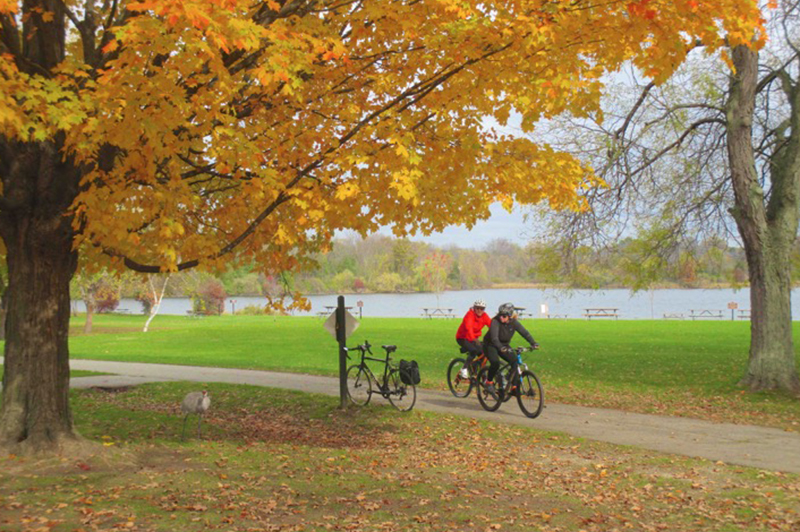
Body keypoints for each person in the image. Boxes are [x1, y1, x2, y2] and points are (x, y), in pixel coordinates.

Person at [482, 302, 538, 397]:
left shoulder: (514, 323)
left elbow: (525, 333)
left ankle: (514, 388)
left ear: (509, 316)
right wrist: (500, 348)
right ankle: (489, 382)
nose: (501, 318)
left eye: (504, 316)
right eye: (500, 315)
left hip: (504, 344)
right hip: (490, 345)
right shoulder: (495, 322)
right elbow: (494, 338)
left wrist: (533, 343)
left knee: (515, 362)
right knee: (495, 362)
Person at [455, 299, 491, 378]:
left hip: (473, 338)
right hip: (462, 337)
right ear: (474, 308)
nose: (479, 310)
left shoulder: (484, 316)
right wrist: (473, 339)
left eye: (482, 309)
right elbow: (469, 328)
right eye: (477, 308)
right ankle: (464, 369)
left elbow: (491, 325)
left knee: (483, 353)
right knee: (473, 350)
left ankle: (476, 373)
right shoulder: (470, 315)